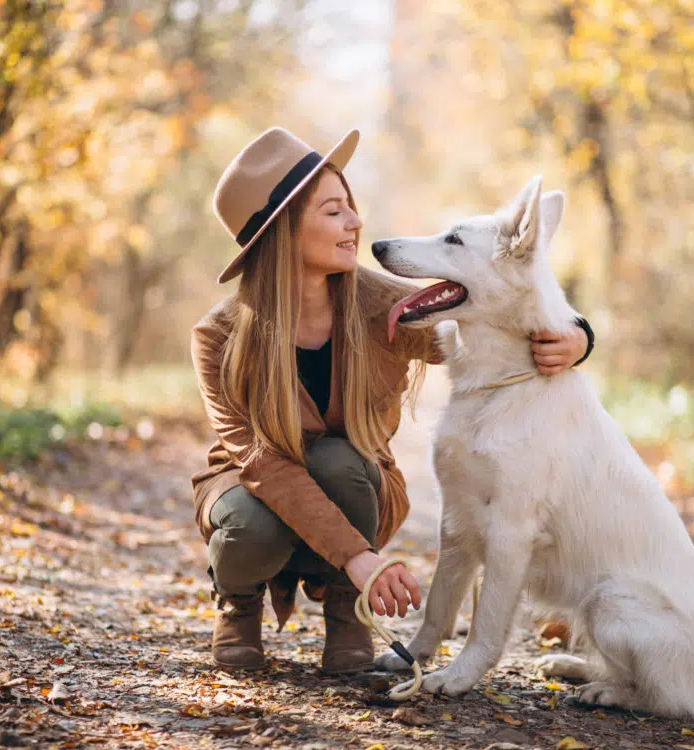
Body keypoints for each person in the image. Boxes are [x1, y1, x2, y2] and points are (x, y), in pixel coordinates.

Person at [190, 127, 594, 673]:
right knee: (246, 522)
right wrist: (362, 558)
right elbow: (262, 464)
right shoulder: (218, 337)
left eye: (350, 206)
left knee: (340, 461)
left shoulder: (385, 304)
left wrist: (577, 335)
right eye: (335, 211)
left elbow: (497, 310)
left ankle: (344, 609)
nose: (356, 222)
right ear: (282, 232)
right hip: (255, 490)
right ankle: (239, 604)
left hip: (353, 487)